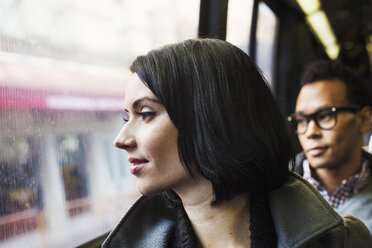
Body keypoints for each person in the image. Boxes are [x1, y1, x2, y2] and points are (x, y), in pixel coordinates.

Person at [103, 39, 372, 248]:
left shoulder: (343, 241)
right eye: (127, 117)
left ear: (212, 118)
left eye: (146, 114)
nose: (121, 140)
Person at [288, 60, 372, 233]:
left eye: (325, 116)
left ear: (364, 119)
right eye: (302, 120)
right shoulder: (274, 193)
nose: (311, 132)